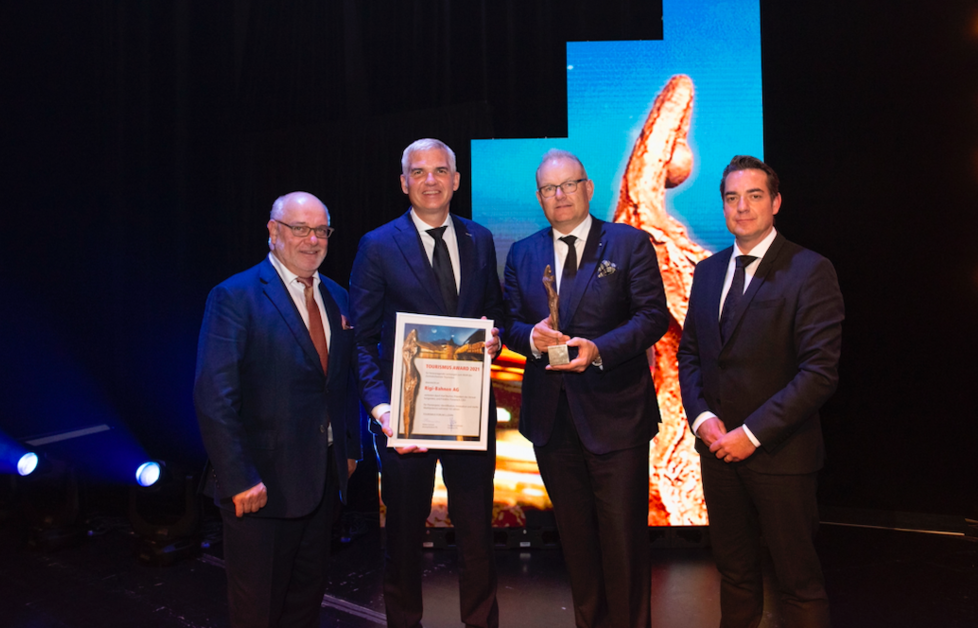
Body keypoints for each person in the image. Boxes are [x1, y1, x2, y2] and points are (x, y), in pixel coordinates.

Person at [502, 149, 669, 628]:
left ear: (588, 188)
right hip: (552, 423)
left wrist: (598, 349)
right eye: (549, 189)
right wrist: (529, 338)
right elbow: (510, 322)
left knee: (624, 543)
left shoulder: (629, 243)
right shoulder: (522, 252)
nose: (560, 196)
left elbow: (652, 316)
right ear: (538, 198)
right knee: (575, 544)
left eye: (569, 185)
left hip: (616, 419)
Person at [678, 156, 844, 628]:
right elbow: (690, 355)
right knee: (734, 576)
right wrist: (702, 419)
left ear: (775, 202)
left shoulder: (810, 269)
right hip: (717, 454)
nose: (742, 207)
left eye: (754, 196)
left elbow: (819, 373)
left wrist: (750, 434)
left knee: (799, 584)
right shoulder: (707, 272)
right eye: (732, 198)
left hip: (781, 456)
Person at [350, 138, 503, 628]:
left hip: (468, 413)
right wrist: (382, 409)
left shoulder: (479, 239)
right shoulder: (376, 245)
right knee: (402, 540)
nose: (431, 180)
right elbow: (360, 338)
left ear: (457, 180)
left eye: (441, 171)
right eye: (419, 172)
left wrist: (494, 339)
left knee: (478, 538)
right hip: (406, 421)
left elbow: (492, 314)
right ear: (403, 183)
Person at [193, 192, 360, 628]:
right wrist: (239, 478)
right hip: (259, 488)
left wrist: (351, 449)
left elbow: (342, 384)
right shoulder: (235, 295)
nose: (312, 240)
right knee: (259, 613)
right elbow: (215, 396)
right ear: (273, 231)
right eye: (299, 229)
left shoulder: (339, 297)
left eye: (321, 230)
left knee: (305, 605)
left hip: (322, 483)